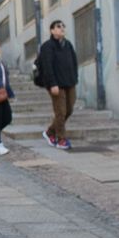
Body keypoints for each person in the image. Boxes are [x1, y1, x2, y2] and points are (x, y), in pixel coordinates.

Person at [33, 19, 79, 150]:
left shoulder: (68, 45)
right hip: (56, 84)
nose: (62, 28)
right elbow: (47, 67)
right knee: (60, 111)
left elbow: (74, 61)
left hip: (70, 82)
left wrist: (75, 78)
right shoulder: (47, 46)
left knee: (69, 110)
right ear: (52, 30)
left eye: (63, 26)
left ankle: (49, 132)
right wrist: (52, 84)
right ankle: (61, 139)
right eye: (59, 26)